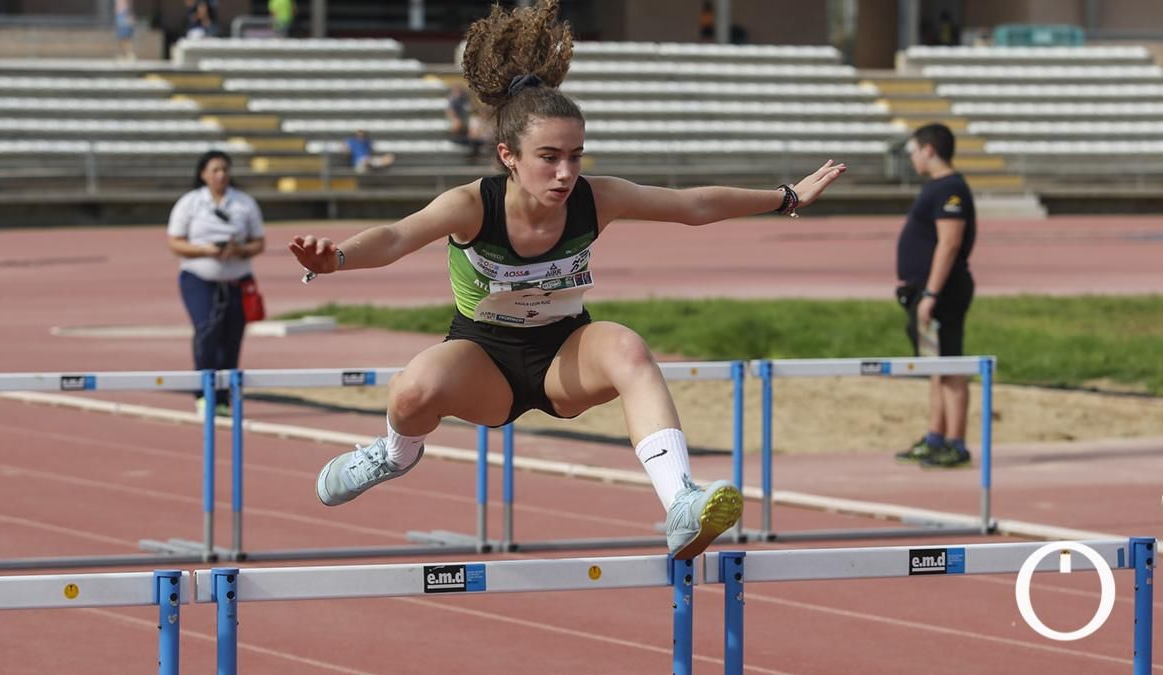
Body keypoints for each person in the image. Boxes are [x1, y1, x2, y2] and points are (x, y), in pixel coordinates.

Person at [288, 0, 845, 560]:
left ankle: (680, 503)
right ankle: (393, 454)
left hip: (564, 352)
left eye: (575, 156)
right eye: (549, 157)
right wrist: (335, 257)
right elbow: (394, 238)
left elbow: (691, 205)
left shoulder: (595, 198)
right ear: (508, 155)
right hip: (484, 358)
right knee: (411, 389)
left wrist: (786, 197)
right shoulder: (470, 206)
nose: (565, 173)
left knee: (628, 348)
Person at [893, 123, 977, 469]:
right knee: (935, 366)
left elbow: (950, 242)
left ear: (929, 150)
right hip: (926, 292)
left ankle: (956, 443)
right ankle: (935, 437)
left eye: (913, 150)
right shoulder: (938, 187)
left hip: (941, 292)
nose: (911, 157)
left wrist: (931, 292)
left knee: (951, 365)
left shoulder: (950, 189)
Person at [167, 150, 266, 416]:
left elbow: (259, 242)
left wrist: (239, 250)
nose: (221, 175)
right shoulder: (190, 203)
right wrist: (205, 250)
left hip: (237, 279)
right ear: (203, 174)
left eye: (225, 169)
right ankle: (203, 394)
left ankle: (223, 398)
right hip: (199, 279)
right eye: (215, 170)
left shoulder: (244, 203)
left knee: (232, 337)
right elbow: (175, 242)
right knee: (207, 329)